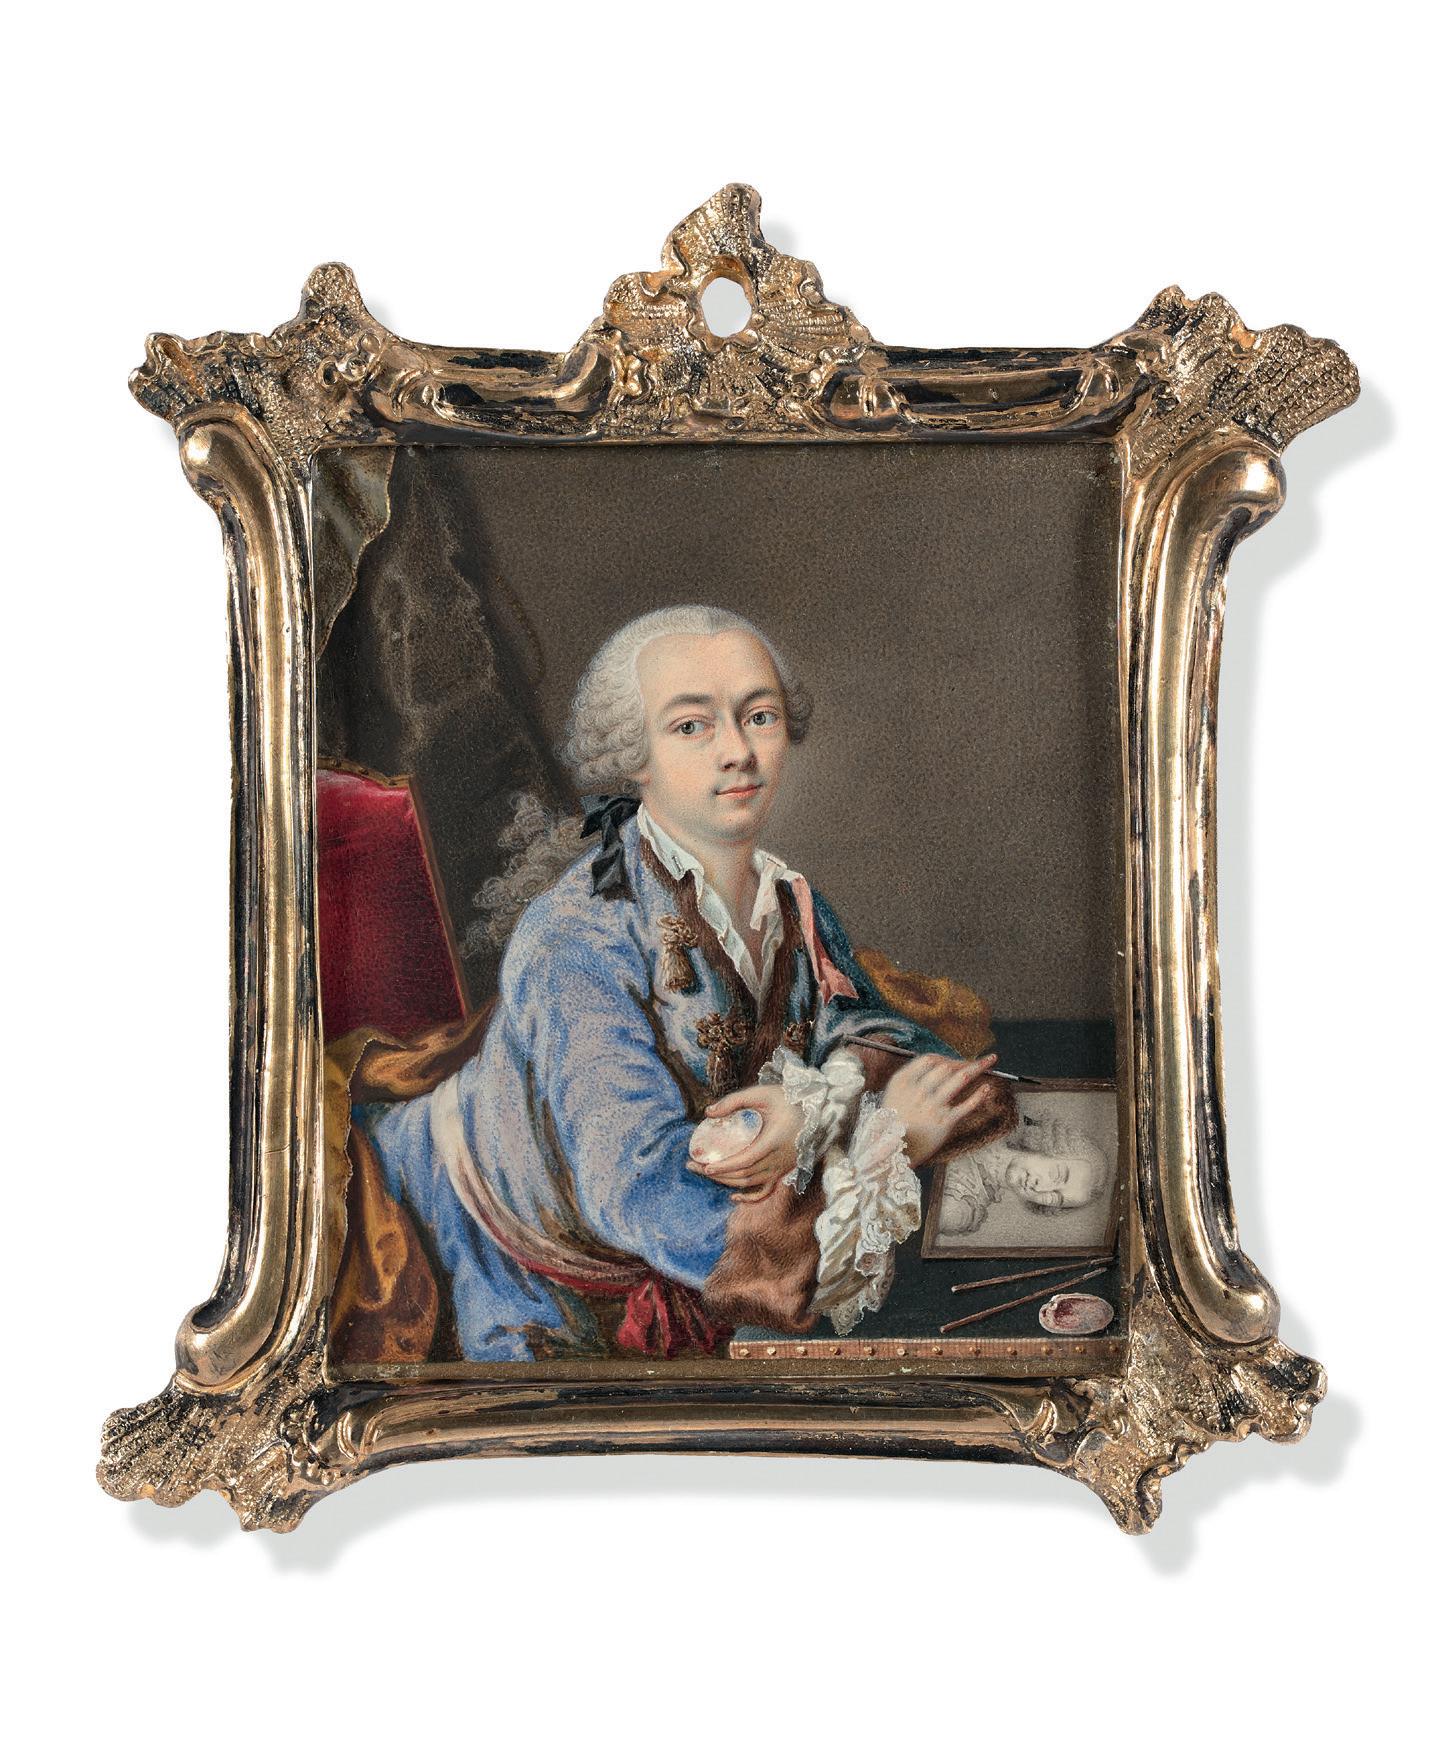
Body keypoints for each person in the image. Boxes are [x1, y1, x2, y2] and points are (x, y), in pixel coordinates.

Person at [355, 605, 1012, 1360]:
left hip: (662, 1244)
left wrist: (817, 1105)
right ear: (634, 754)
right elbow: (638, 1188)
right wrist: (889, 1138)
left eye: (759, 716)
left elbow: (875, 1033)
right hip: (486, 1256)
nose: (738, 752)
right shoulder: (576, 940)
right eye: (692, 726)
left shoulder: (788, 900)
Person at [934, 1112, 1111, 1237]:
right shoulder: (993, 1115)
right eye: (1056, 1175)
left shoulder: (963, 1209)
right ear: (1050, 1146)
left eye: (1053, 1198)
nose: (1040, 1188)